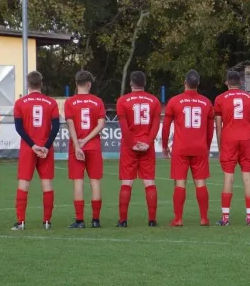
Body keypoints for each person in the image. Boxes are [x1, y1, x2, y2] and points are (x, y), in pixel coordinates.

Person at [162, 70, 215, 227]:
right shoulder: (206, 102)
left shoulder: (174, 101)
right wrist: (206, 145)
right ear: (198, 84)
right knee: (201, 183)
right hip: (199, 147)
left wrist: (164, 146)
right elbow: (210, 129)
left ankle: (178, 218)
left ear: (185, 82)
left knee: (180, 183)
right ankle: (204, 218)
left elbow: (165, 126)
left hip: (181, 148)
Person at [11, 71, 60, 231]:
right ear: (41, 83)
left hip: (28, 148)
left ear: (28, 84)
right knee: (47, 183)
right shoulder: (51, 102)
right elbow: (56, 127)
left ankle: (21, 222)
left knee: (24, 183)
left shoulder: (20, 103)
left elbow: (19, 128)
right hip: (46, 148)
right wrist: (45, 146)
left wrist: (32, 145)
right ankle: (47, 221)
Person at [116, 71, 161, 227]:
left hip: (130, 147)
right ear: (145, 83)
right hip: (147, 147)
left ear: (130, 83)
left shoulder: (122, 101)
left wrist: (132, 144)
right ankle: (152, 220)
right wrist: (148, 142)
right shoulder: (154, 101)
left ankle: (122, 221)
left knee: (127, 183)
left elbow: (124, 127)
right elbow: (156, 125)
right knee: (149, 182)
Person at [214, 70, 250, 226]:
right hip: (246, 138)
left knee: (228, 177)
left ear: (227, 82)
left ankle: (225, 218)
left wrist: (220, 145)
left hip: (229, 139)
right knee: (247, 176)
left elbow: (218, 126)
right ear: (241, 82)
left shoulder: (220, 99)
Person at [64, 70, 106, 228]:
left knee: (78, 182)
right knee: (95, 182)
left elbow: (70, 124)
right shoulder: (97, 101)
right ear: (89, 84)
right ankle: (96, 220)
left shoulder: (70, 102)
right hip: (93, 145)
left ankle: (80, 220)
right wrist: (87, 140)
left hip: (77, 147)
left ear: (76, 84)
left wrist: (77, 144)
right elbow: (101, 125)